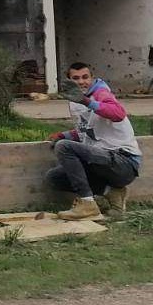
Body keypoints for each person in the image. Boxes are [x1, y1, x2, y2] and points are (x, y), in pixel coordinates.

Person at [46, 62, 141, 219]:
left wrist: (86, 101)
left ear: (92, 78)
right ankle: (112, 193)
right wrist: (63, 135)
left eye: (85, 77)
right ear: (69, 81)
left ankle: (87, 204)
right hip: (101, 161)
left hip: (123, 162)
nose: (82, 82)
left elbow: (118, 113)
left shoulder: (101, 93)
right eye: (76, 78)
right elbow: (87, 131)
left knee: (64, 148)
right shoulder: (75, 101)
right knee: (55, 178)